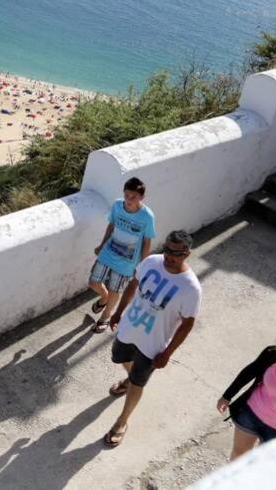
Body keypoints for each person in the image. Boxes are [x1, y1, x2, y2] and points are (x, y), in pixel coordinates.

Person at [103, 230, 201, 447]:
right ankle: (130, 379)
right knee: (119, 358)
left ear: (186, 254)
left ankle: (122, 421)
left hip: (153, 345)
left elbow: (187, 324)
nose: (168, 256)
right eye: (166, 249)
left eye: (175, 253)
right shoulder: (152, 262)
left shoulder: (191, 288)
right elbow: (132, 285)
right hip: (129, 328)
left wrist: (167, 353)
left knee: (139, 382)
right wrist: (118, 312)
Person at [217, 334, 276, 459]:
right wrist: (227, 396)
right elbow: (249, 371)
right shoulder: (272, 354)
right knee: (239, 454)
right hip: (251, 414)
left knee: (263, 464)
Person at [88, 177, 156, 333]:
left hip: (127, 262)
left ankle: (105, 317)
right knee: (93, 282)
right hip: (108, 252)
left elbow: (147, 242)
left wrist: (143, 265)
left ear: (141, 197)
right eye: (126, 195)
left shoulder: (147, 216)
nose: (129, 200)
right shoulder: (118, 206)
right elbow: (111, 225)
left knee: (115, 290)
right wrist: (102, 245)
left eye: (133, 197)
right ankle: (104, 298)